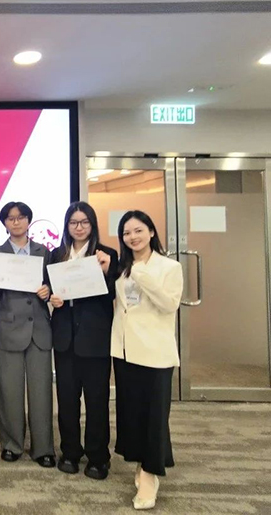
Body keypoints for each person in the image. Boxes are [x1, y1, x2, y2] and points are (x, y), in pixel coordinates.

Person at [111, 210, 183, 510]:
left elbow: (169, 304)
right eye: (127, 233)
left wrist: (142, 274)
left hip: (154, 352)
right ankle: (142, 463)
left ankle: (151, 475)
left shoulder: (169, 267)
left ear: (151, 232)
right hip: (125, 351)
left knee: (155, 416)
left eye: (138, 230)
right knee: (133, 414)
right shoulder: (122, 268)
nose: (133, 237)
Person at [48, 201, 118, 479]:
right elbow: (49, 289)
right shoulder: (57, 255)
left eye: (84, 222)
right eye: (73, 222)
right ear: (67, 226)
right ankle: (70, 452)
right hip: (64, 337)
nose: (79, 227)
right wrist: (52, 298)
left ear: (92, 224)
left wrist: (106, 271)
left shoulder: (107, 255)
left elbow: (114, 293)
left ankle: (98, 457)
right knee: (66, 399)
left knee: (97, 400)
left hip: (95, 337)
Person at [0, 201, 55, 467]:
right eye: (11, 218)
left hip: (39, 329)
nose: (16, 222)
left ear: (29, 221)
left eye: (21, 217)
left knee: (41, 392)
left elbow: (53, 285)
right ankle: (12, 444)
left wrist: (48, 291)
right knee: (9, 390)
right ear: (4, 223)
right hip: (9, 328)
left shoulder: (44, 252)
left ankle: (43, 448)